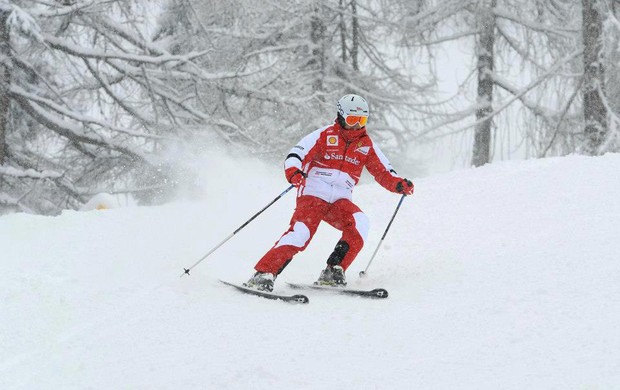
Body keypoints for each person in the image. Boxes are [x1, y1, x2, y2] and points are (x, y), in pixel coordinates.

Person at [245, 94, 414, 292]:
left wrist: (399, 184)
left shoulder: (366, 145)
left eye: (362, 121)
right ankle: (264, 273)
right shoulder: (325, 134)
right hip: (313, 194)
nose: (356, 126)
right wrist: (294, 172)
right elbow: (295, 154)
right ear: (341, 117)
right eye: (352, 120)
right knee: (301, 234)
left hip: (340, 200)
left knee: (360, 222)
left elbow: (384, 171)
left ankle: (334, 270)